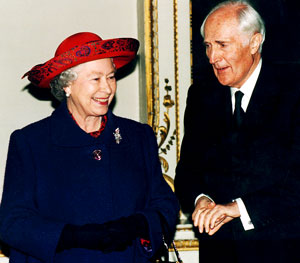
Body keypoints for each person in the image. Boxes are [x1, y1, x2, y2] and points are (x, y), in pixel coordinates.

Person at [0, 32, 179, 263]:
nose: (107, 89)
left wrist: (136, 225)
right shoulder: (31, 142)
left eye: (111, 77)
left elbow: (165, 205)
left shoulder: (138, 136)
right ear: (67, 86)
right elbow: (12, 222)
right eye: (96, 79)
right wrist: (72, 237)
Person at [175, 1, 300, 262]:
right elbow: (187, 171)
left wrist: (238, 209)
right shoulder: (201, 95)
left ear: (254, 43)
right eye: (208, 46)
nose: (212, 57)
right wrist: (201, 200)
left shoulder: (293, 92)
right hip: (219, 251)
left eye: (222, 45)